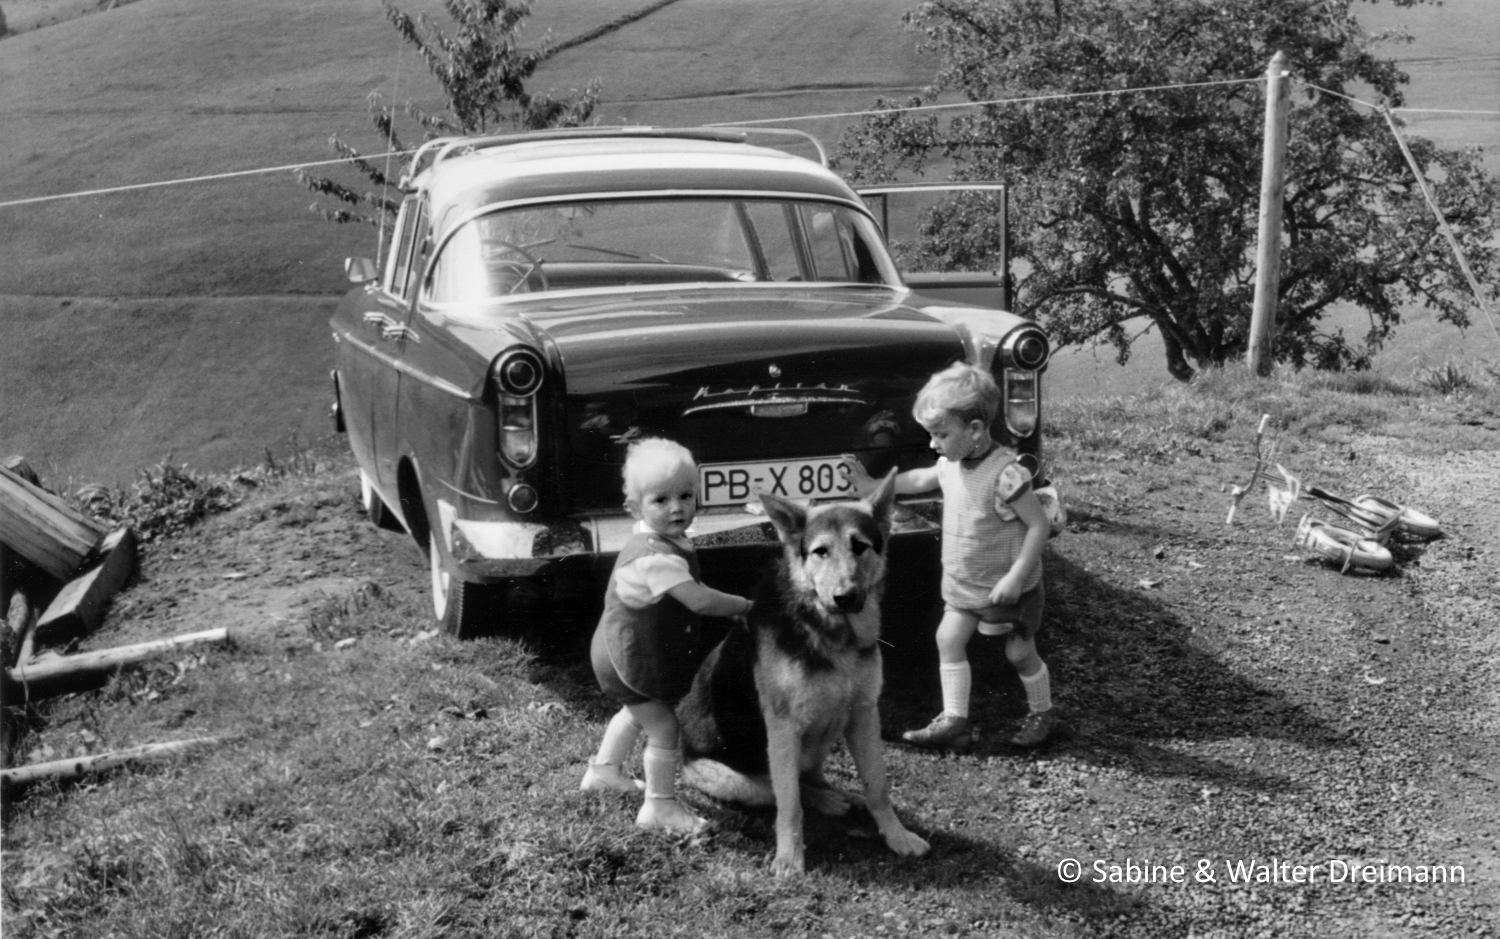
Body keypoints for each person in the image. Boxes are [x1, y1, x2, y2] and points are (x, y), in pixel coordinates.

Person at [846, 362, 1057, 751]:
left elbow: (1039, 525)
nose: (932, 444)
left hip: (1009, 589)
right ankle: (955, 721)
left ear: (975, 431)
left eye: (941, 434)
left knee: (1019, 652)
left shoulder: (1005, 474)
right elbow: (918, 479)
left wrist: (1016, 577)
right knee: (948, 638)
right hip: (966, 585)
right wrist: (877, 486)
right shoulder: (950, 464)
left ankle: (1042, 712)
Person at [582, 437, 754, 833]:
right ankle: (658, 808)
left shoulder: (663, 538)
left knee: (634, 712)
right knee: (664, 727)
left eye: (685, 495)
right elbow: (700, 600)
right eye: (661, 500)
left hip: (618, 649)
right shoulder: (655, 557)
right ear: (635, 507)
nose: (676, 507)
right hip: (626, 657)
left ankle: (604, 772)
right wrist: (744, 606)